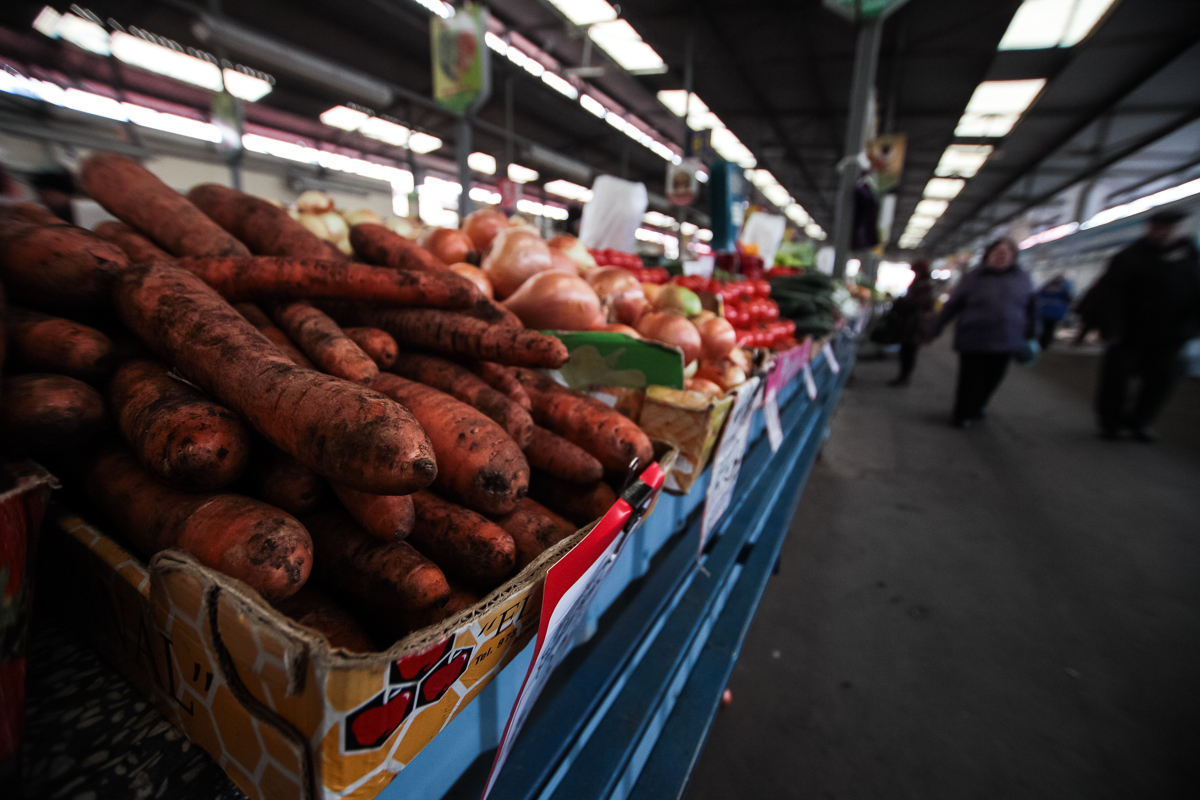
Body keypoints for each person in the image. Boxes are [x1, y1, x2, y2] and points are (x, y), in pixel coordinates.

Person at [1089, 209, 1200, 442]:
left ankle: (1141, 421)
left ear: (1180, 230)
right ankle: (1110, 422)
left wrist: (1193, 327)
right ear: (1149, 229)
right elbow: (1110, 293)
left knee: (1162, 381)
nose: (1163, 233)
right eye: (1158, 228)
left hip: (1171, 335)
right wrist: (1109, 327)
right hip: (1128, 333)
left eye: (1169, 229)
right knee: (1116, 379)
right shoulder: (1129, 257)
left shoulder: (1192, 259)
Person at [933, 238, 1037, 427]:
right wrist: (937, 325)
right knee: (969, 378)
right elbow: (953, 304)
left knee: (993, 378)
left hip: (1006, 339)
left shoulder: (1022, 279)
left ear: (1013, 258)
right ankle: (963, 414)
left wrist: (1031, 335)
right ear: (988, 254)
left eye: (1007, 253)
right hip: (974, 337)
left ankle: (979, 405)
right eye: (997, 251)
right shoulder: (973, 278)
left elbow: (1031, 308)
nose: (1001, 255)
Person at [888, 259, 936, 386]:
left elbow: (919, 303)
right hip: (912, 324)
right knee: (906, 351)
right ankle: (903, 376)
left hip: (915, 324)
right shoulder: (921, 283)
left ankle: (904, 378)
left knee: (909, 352)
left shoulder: (924, 284)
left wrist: (902, 302)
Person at [1035, 274, 1074, 350]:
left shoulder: (1045, 287)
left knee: (1042, 328)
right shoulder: (1063, 289)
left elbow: (1037, 296)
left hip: (1043, 311)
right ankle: (1045, 344)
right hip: (1055, 313)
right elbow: (1068, 299)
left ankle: (1040, 343)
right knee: (1050, 329)